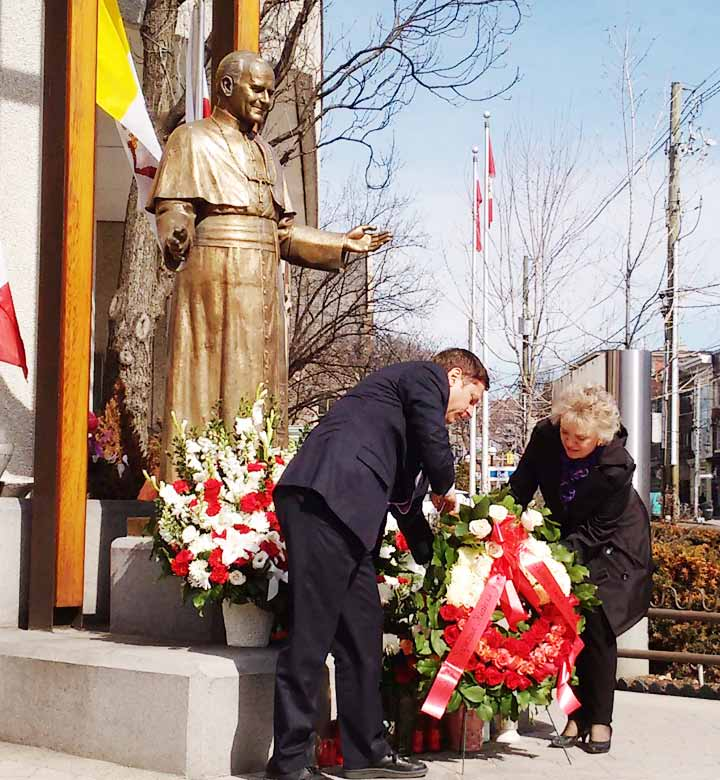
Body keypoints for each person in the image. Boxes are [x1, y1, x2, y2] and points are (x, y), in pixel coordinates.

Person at [147, 50, 391, 475]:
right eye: (256, 89)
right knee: (209, 383)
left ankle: (251, 485)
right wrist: (176, 234)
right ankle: (198, 484)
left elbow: (282, 234)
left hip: (262, 287)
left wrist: (341, 242)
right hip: (214, 275)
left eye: (270, 92)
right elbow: (175, 207)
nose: (265, 99)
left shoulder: (266, 154)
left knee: (257, 387)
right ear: (226, 87)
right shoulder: (192, 140)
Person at [267, 349, 489, 780]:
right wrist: (448, 486)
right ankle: (289, 764)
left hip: (350, 516)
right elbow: (435, 449)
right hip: (324, 499)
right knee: (312, 637)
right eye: (472, 399)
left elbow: (404, 501)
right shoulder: (426, 377)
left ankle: (366, 753)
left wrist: (438, 555)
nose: (469, 413)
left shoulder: (403, 422)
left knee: (362, 638)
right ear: (456, 375)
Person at [509, 384, 652, 754]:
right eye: (565, 433)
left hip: (614, 540)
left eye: (581, 438)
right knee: (565, 619)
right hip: (568, 529)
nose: (570, 442)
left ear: (600, 439)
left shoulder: (616, 466)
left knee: (598, 622)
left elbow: (598, 530)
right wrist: (501, 522)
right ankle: (575, 715)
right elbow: (521, 485)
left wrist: (555, 556)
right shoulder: (545, 436)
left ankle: (600, 719)